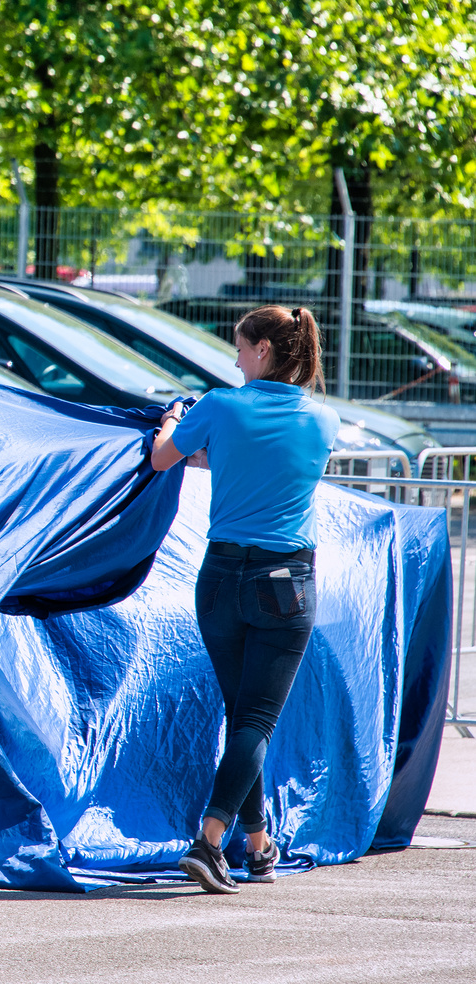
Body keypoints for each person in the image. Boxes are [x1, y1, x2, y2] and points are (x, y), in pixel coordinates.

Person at [150, 304, 339, 894]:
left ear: (262, 350)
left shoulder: (219, 405)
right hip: (286, 580)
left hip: (221, 575)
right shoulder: (323, 420)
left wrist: (171, 420)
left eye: (238, 347)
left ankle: (256, 845)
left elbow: (167, 457)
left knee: (243, 717)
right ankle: (211, 841)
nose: (233, 359)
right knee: (255, 719)